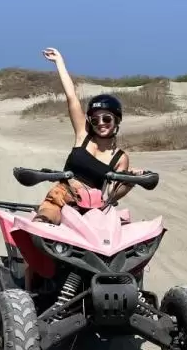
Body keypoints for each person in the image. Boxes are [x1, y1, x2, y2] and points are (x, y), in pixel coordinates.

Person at [33, 47, 143, 225]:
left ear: (116, 121)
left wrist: (131, 180)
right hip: (61, 196)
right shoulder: (83, 134)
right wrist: (59, 62)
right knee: (43, 223)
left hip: (93, 207)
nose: (101, 123)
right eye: (95, 119)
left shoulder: (120, 158)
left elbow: (114, 193)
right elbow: (71, 97)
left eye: (107, 118)